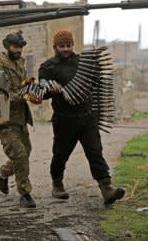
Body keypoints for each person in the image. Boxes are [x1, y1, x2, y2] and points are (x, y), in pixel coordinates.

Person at [38, 29, 125, 205]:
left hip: (87, 117)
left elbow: (98, 84)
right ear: (55, 47)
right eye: (61, 46)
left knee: (95, 152)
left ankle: (106, 188)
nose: (65, 49)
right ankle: (57, 184)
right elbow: (41, 93)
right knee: (60, 155)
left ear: (73, 45)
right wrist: (49, 90)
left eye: (68, 45)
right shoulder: (48, 67)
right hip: (64, 120)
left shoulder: (84, 62)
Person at [0, 30, 40, 208]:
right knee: (19, 154)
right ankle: (25, 193)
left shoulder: (20, 63)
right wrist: (23, 95)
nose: (18, 50)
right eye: (14, 47)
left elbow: (23, 86)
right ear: (6, 46)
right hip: (4, 120)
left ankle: (2, 173)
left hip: (20, 118)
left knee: (26, 151)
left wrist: (33, 90)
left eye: (20, 47)